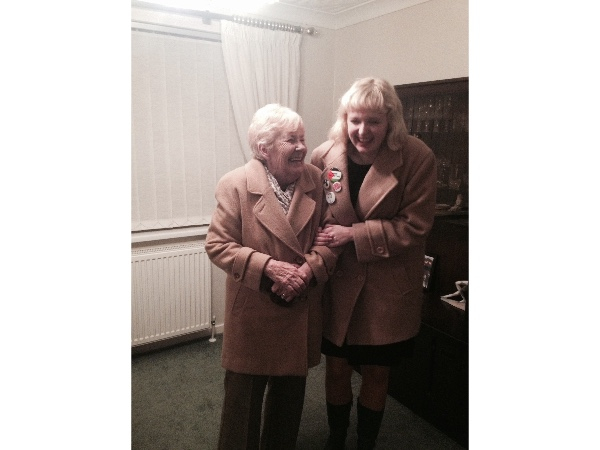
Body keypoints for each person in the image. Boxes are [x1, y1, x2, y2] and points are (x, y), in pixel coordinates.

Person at [310, 77, 437, 450]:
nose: (362, 131)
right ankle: (336, 439)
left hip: (385, 289)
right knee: (336, 368)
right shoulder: (324, 156)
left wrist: (354, 235)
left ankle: (366, 443)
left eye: (374, 121)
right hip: (337, 283)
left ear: (390, 121)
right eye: (355, 120)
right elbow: (312, 213)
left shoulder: (417, 157)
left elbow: (415, 226)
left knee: (376, 374)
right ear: (345, 119)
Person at [205, 103, 338, 450]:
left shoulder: (316, 180)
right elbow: (217, 245)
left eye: (303, 138)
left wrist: (308, 269)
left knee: (287, 408)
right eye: (291, 140)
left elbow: (331, 238)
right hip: (253, 310)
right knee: (241, 409)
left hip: (300, 306)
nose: (302, 147)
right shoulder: (235, 184)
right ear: (264, 148)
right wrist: (267, 267)